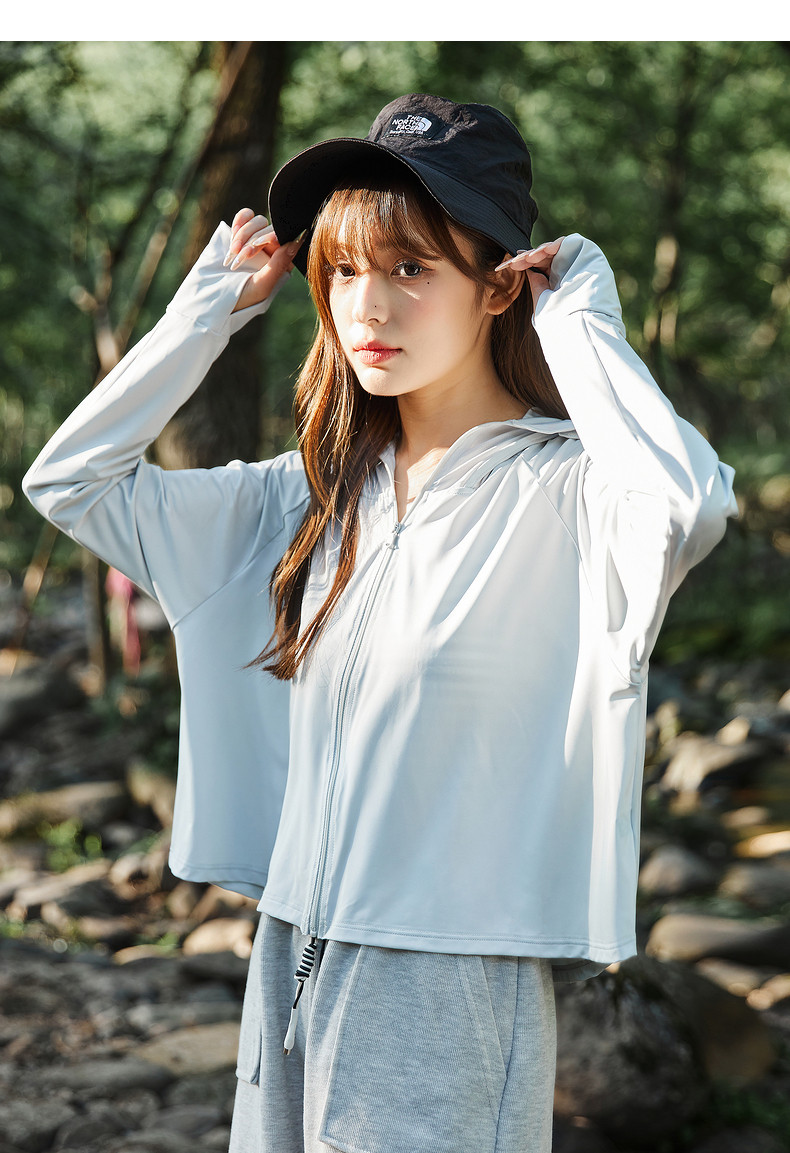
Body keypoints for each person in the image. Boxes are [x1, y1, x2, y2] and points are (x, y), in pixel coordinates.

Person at [23, 94, 738, 1153]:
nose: (368, 305)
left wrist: (582, 325)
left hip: (447, 976)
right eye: (345, 269)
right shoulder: (303, 498)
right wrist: (206, 314)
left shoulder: (574, 495)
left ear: (501, 284)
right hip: (291, 951)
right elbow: (70, 482)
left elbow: (692, 505)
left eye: (411, 268)